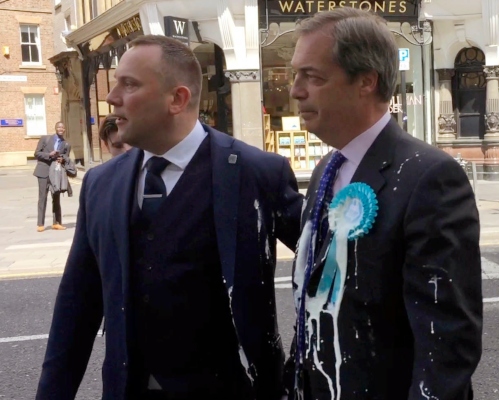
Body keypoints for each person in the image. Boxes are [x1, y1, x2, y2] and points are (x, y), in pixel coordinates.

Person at [36, 35, 303, 400]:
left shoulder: (257, 173)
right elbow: (77, 306)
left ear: (177, 99)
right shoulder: (102, 184)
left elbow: (332, 271)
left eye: (129, 85)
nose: (112, 98)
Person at [284, 8, 482, 400]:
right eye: (295, 75)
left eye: (313, 77)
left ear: (366, 82)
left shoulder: (430, 177)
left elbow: (446, 344)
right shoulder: (328, 166)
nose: (295, 90)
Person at [33, 121, 71, 232]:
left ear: (64, 130)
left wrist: (62, 159)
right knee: (42, 197)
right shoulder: (45, 139)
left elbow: (66, 158)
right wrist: (49, 154)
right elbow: (36, 153)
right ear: (55, 128)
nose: (61, 129)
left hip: (56, 173)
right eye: (59, 127)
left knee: (56, 198)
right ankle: (40, 224)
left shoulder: (66, 144)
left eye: (63, 127)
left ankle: (57, 222)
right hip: (43, 171)